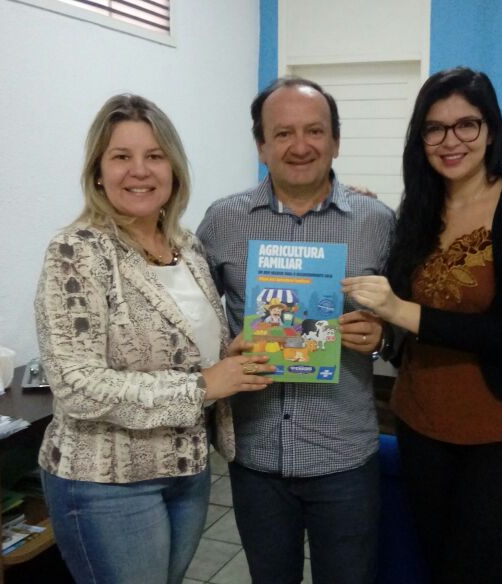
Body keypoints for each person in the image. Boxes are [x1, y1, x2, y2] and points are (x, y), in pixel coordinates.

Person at [34, 93, 275, 584]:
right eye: (122, 156)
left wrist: (228, 355)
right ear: (98, 171)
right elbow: (77, 384)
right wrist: (204, 385)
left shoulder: (186, 247)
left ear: (173, 169)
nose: (139, 171)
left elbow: (187, 348)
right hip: (107, 481)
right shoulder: (77, 251)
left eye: (154, 156)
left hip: (186, 469)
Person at [342, 67, 502, 584]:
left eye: (466, 124)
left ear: (490, 129)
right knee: (438, 565)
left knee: (476, 572)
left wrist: (400, 311)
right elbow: (397, 309)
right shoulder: (418, 209)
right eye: (434, 128)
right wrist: (361, 213)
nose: (450, 141)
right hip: (422, 422)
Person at [197, 77, 395, 583]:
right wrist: (224, 353)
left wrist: (384, 338)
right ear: (261, 145)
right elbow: (194, 325)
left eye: (314, 130)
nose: (300, 145)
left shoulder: (377, 222)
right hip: (257, 454)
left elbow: (404, 321)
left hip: (344, 455)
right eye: (283, 133)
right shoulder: (223, 221)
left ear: (336, 141)